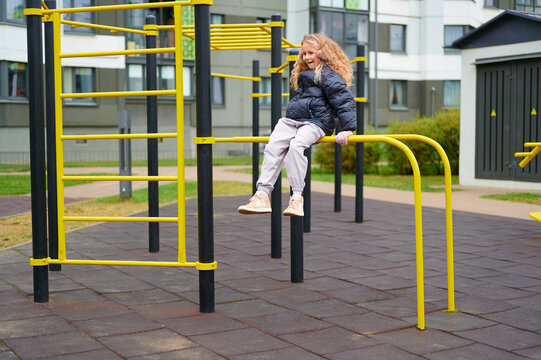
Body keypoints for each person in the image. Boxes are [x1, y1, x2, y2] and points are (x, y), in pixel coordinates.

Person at [238, 33, 356, 217]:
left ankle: (297, 197)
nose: (307, 57)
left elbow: (344, 100)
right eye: (304, 53)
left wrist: (347, 129)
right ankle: (262, 194)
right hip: (295, 120)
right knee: (273, 146)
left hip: (317, 122)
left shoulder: (328, 74)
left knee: (295, 146)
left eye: (311, 53)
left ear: (323, 53)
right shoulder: (303, 75)